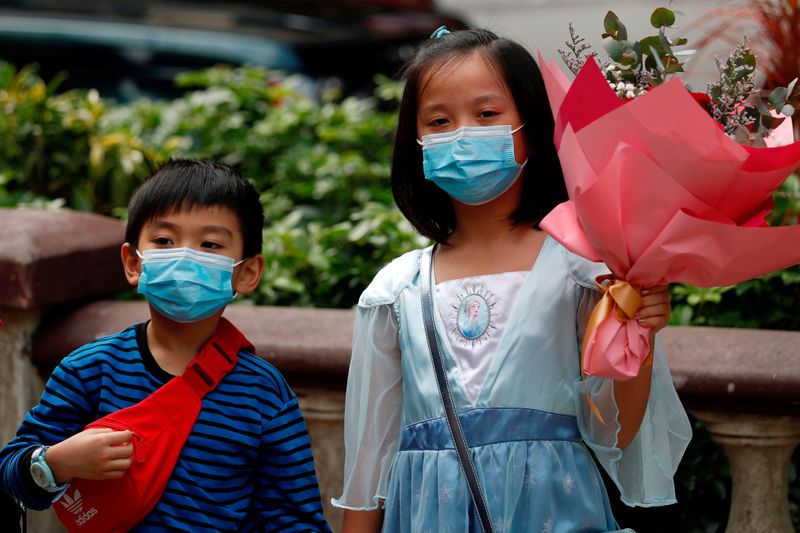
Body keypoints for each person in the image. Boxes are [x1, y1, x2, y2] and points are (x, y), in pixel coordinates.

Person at [332, 28, 692, 532]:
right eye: (439, 120)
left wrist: (640, 335)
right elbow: (368, 464)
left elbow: (614, 431)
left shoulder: (584, 269)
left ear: (532, 125)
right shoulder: (395, 290)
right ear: (414, 144)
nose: (462, 133)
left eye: (486, 114)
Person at [0, 159, 332, 532]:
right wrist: (59, 462)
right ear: (133, 262)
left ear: (247, 272)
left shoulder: (264, 394)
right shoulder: (90, 369)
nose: (185, 257)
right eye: (164, 241)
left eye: (210, 244)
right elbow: (12, 475)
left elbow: (294, 520)